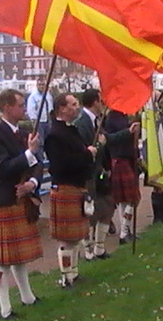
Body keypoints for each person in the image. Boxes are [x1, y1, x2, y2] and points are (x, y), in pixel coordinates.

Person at [0, 89, 43, 320]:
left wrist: (32, 182)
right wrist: (29, 153)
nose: (24, 109)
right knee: (3, 260)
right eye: (20, 105)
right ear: (7, 107)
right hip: (7, 200)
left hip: (23, 198)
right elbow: (2, 168)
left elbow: (37, 162)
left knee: (18, 256)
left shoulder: (26, 133)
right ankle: (5, 309)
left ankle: (28, 297)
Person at [46, 93, 97, 287]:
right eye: (73, 104)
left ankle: (74, 273)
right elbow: (61, 165)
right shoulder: (55, 135)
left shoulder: (70, 130)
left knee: (75, 237)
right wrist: (87, 154)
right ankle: (66, 277)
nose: (77, 107)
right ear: (62, 109)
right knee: (66, 239)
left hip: (76, 187)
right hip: (65, 187)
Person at [74, 89, 113, 260]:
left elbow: (106, 142)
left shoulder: (97, 121)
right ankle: (88, 251)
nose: (103, 102)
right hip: (88, 175)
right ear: (95, 102)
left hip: (100, 174)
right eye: (101, 99)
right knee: (89, 214)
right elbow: (83, 149)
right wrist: (99, 143)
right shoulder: (81, 123)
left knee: (106, 209)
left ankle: (99, 248)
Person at [104, 109, 142, 244]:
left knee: (132, 198)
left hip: (129, 158)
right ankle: (124, 233)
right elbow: (109, 140)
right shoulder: (111, 118)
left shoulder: (124, 115)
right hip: (119, 159)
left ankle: (126, 230)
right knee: (127, 199)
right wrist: (128, 131)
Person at [26, 77, 54, 159]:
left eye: (43, 85)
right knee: (40, 142)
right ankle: (40, 160)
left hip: (47, 121)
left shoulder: (48, 96)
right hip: (39, 122)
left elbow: (51, 108)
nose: (41, 86)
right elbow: (31, 110)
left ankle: (50, 158)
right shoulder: (33, 97)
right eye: (40, 85)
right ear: (37, 85)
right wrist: (34, 122)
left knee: (49, 141)